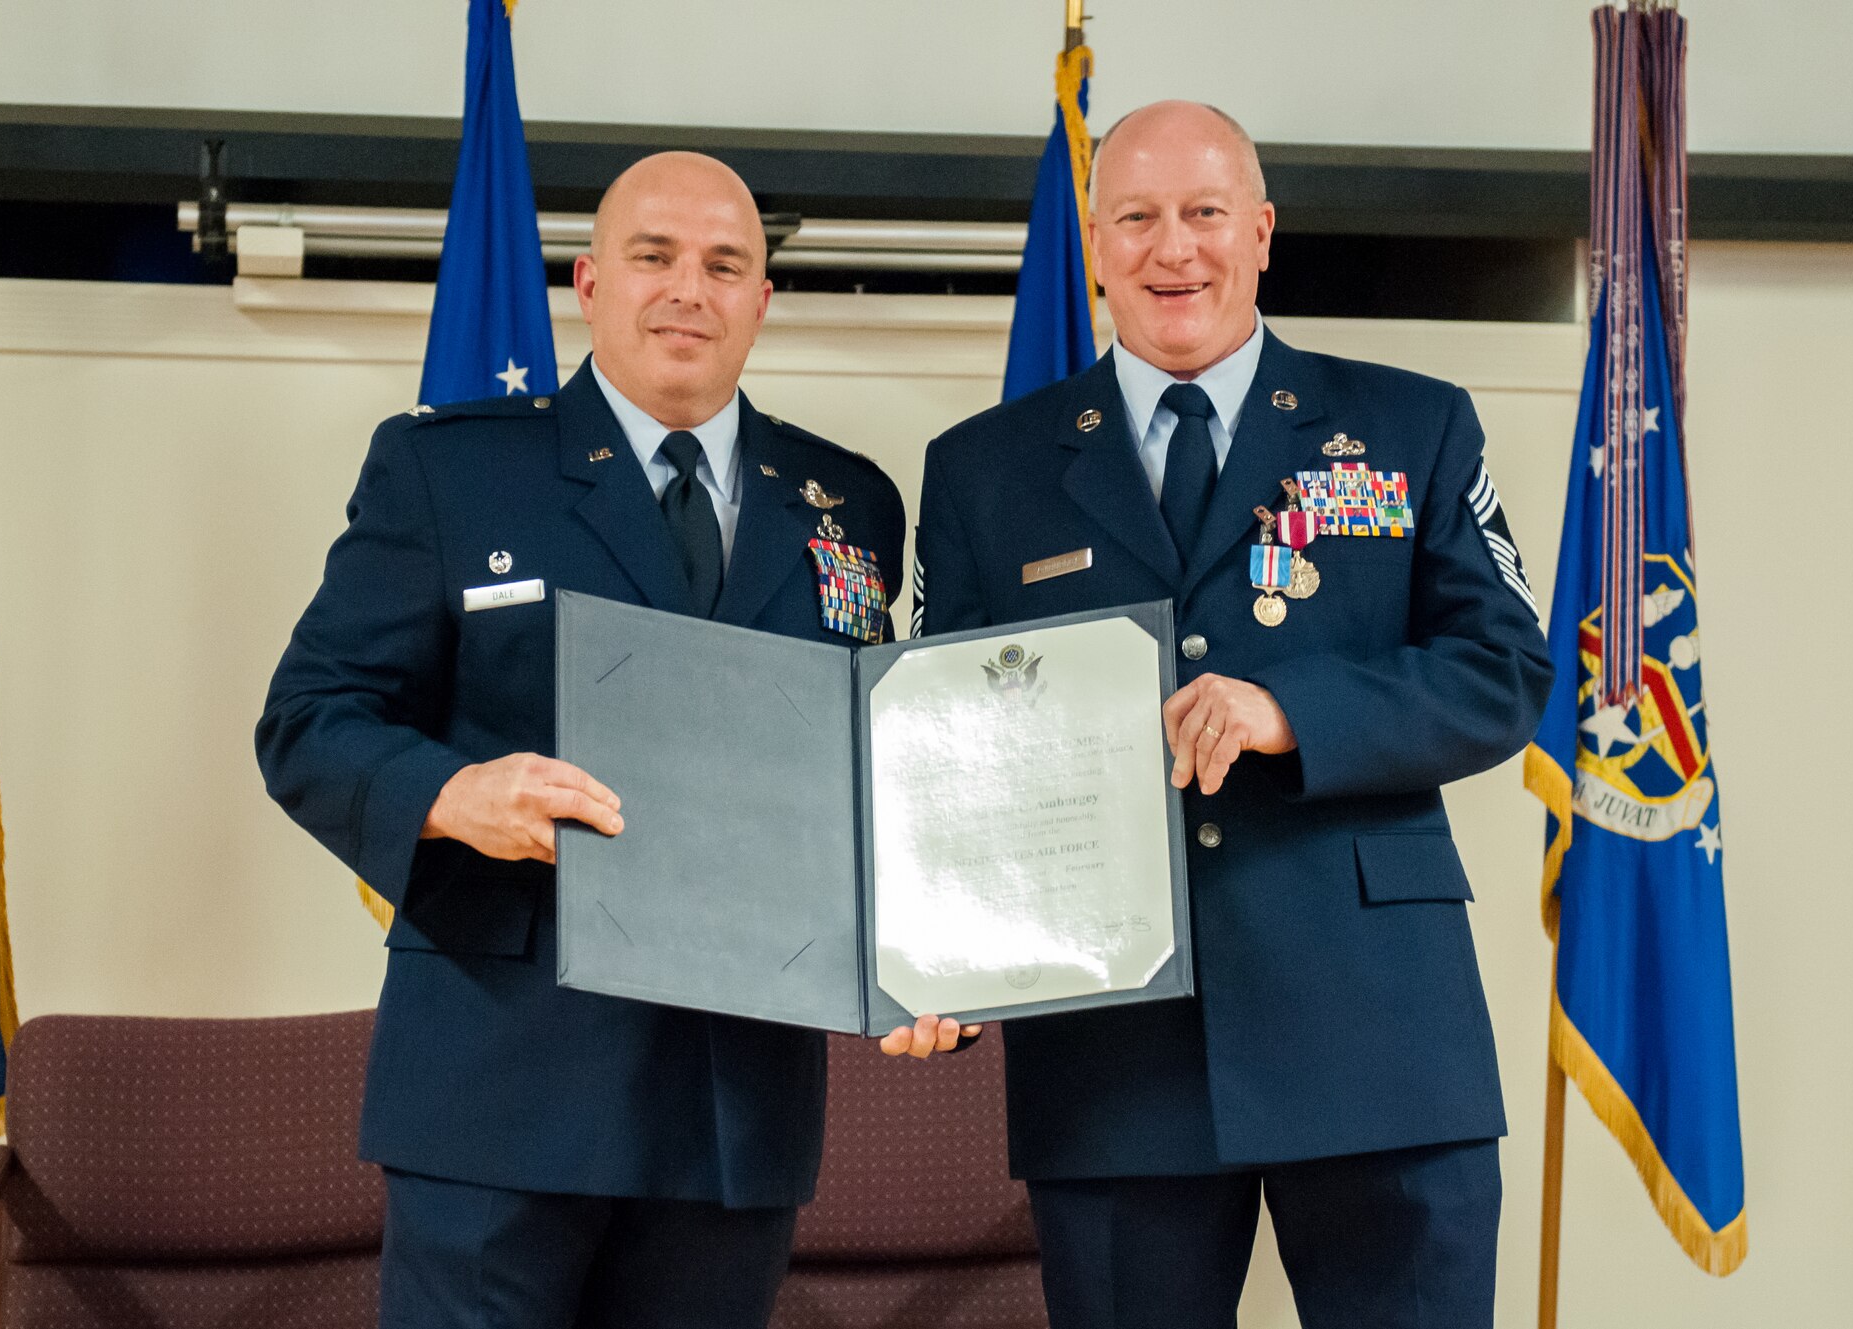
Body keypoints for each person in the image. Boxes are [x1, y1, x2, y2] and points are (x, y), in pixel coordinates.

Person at [904, 101, 1554, 1329]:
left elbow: (1503, 669)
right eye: (1137, 218)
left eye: (1204, 214)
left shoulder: (1411, 425)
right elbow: (943, 750)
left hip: (1374, 1033)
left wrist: (1292, 711)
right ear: (1092, 245)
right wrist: (935, 951)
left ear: (1259, 233)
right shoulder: (984, 468)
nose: (1173, 250)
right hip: (1114, 1055)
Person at [256, 151, 905, 1329]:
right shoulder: (451, 471)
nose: (686, 291)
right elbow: (308, 723)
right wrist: (453, 794)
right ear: (587, 281)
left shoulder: (845, 501)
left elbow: (872, 776)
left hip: (731, 1106)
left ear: (761, 300)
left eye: (723, 265)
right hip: (503, 1085)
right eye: (653, 257)